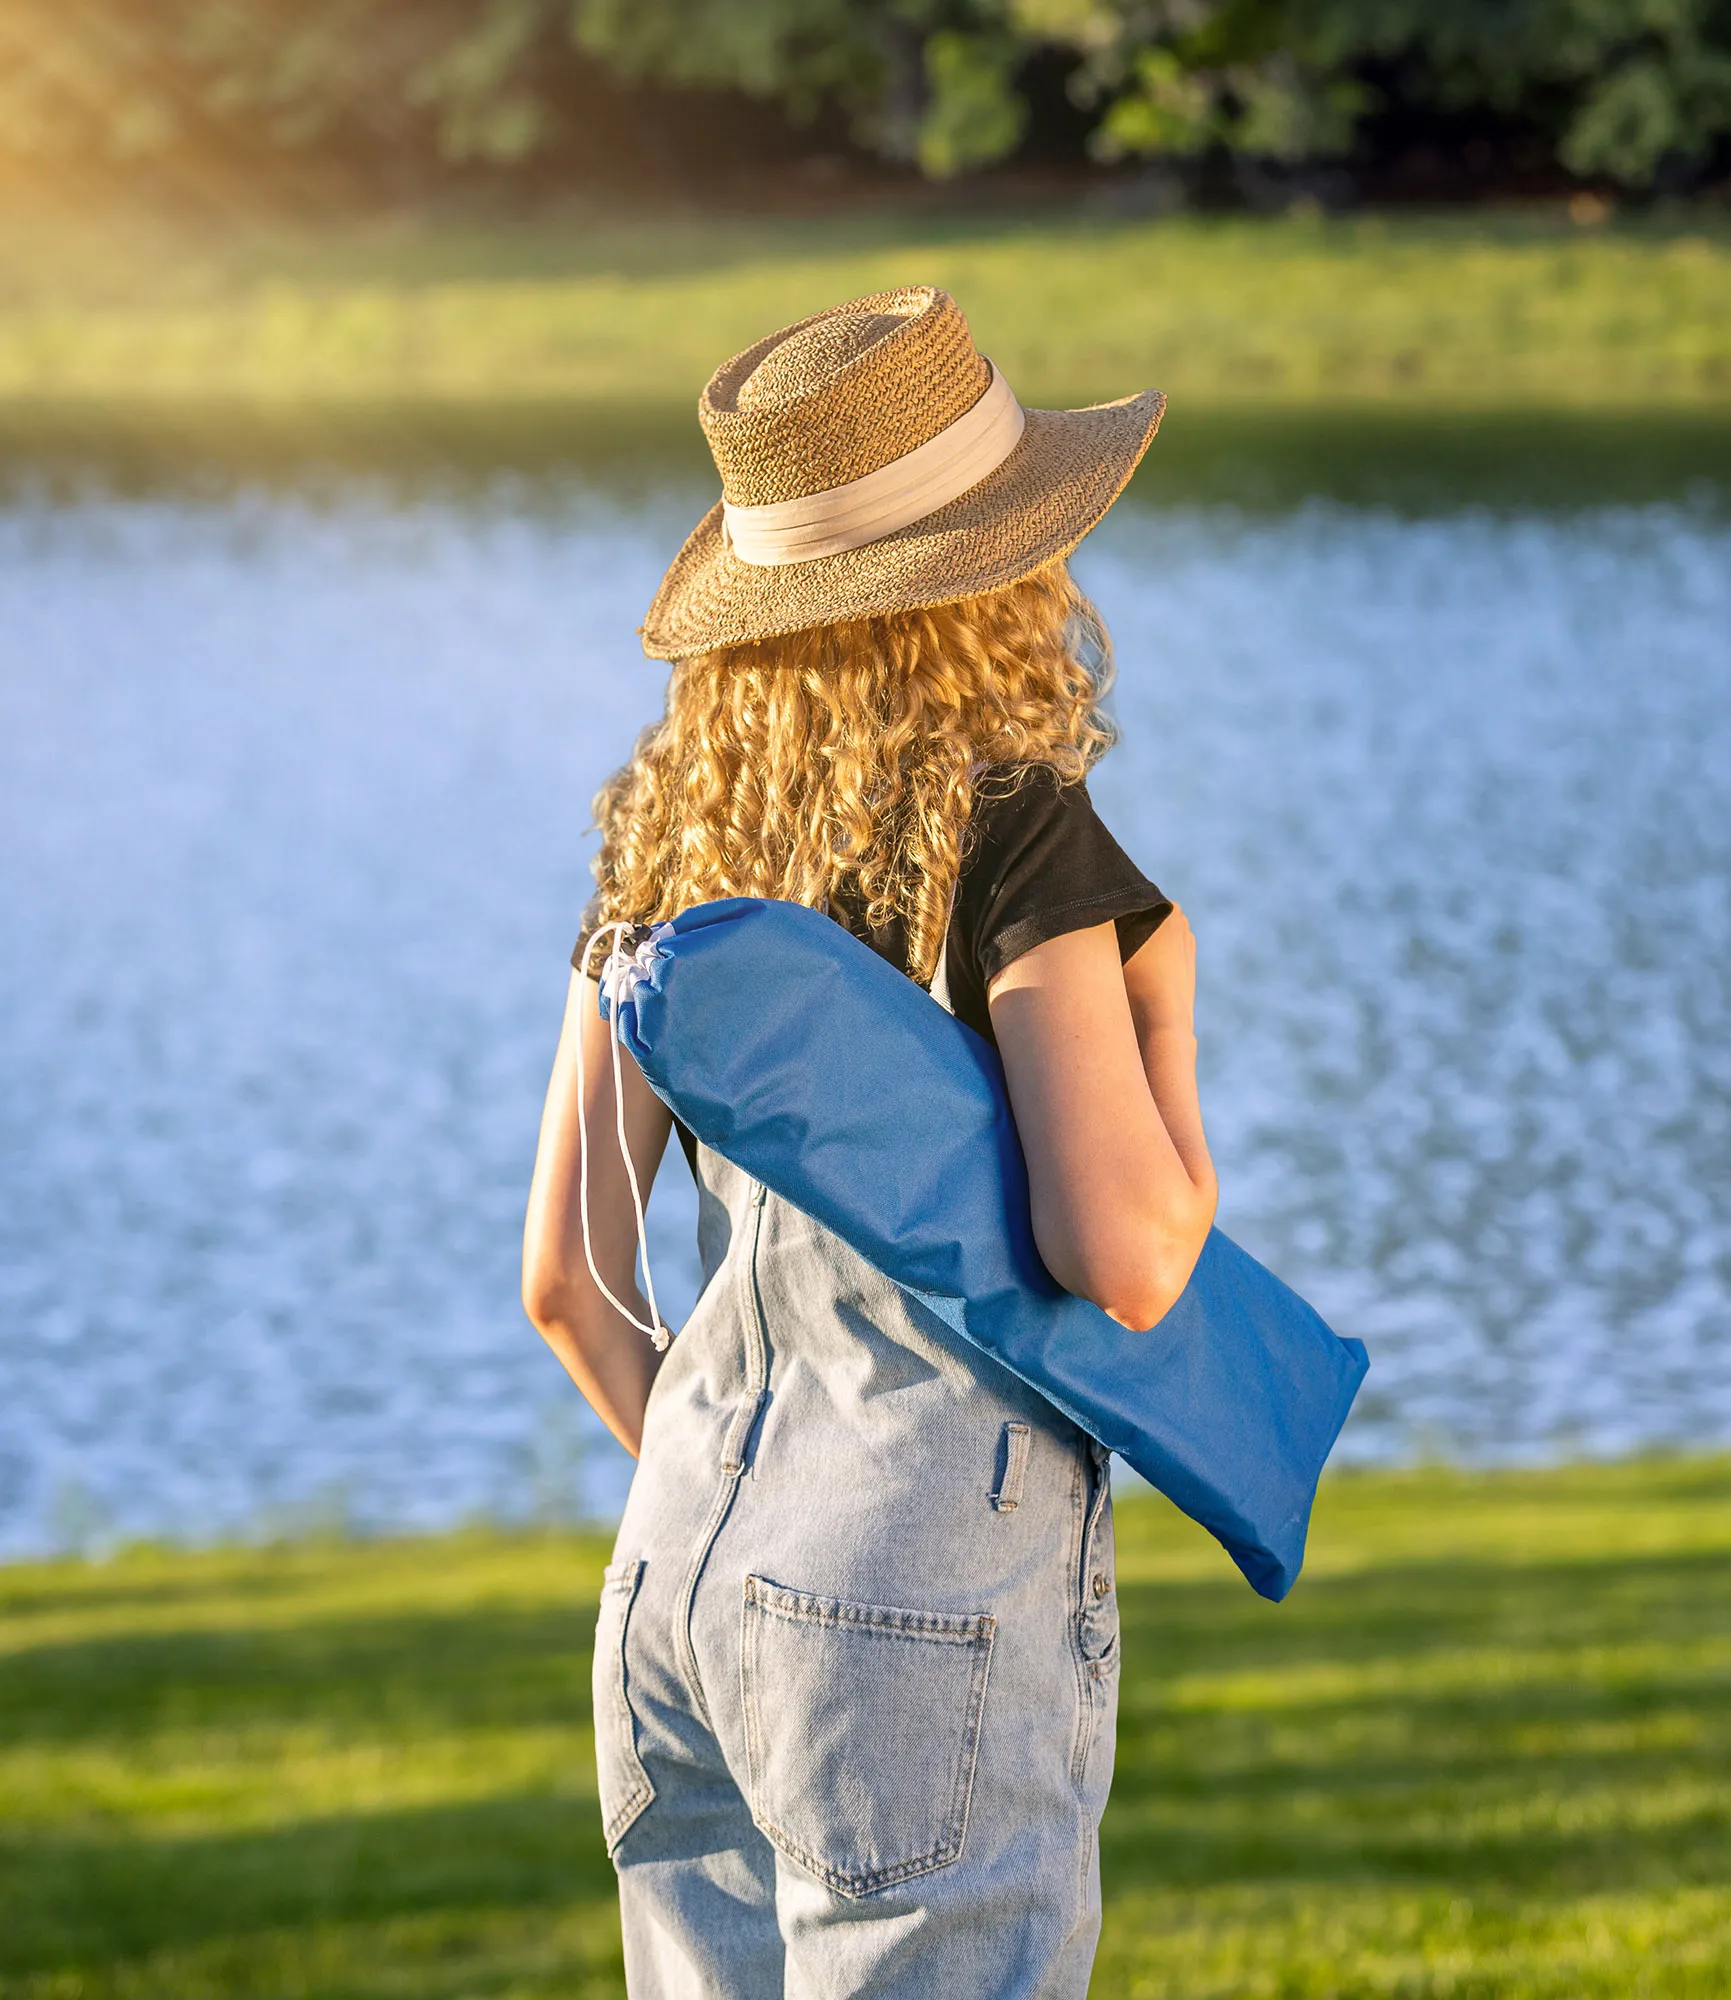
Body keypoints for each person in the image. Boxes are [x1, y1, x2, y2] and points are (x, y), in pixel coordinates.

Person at [520, 284, 1216, 1999]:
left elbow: (567, 1283)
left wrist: (750, 1529)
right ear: (1003, 566)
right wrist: (1167, 1007)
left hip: (676, 1582)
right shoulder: (1014, 831)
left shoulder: (662, 855)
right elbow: (1125, 1257)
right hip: (918, 1601)